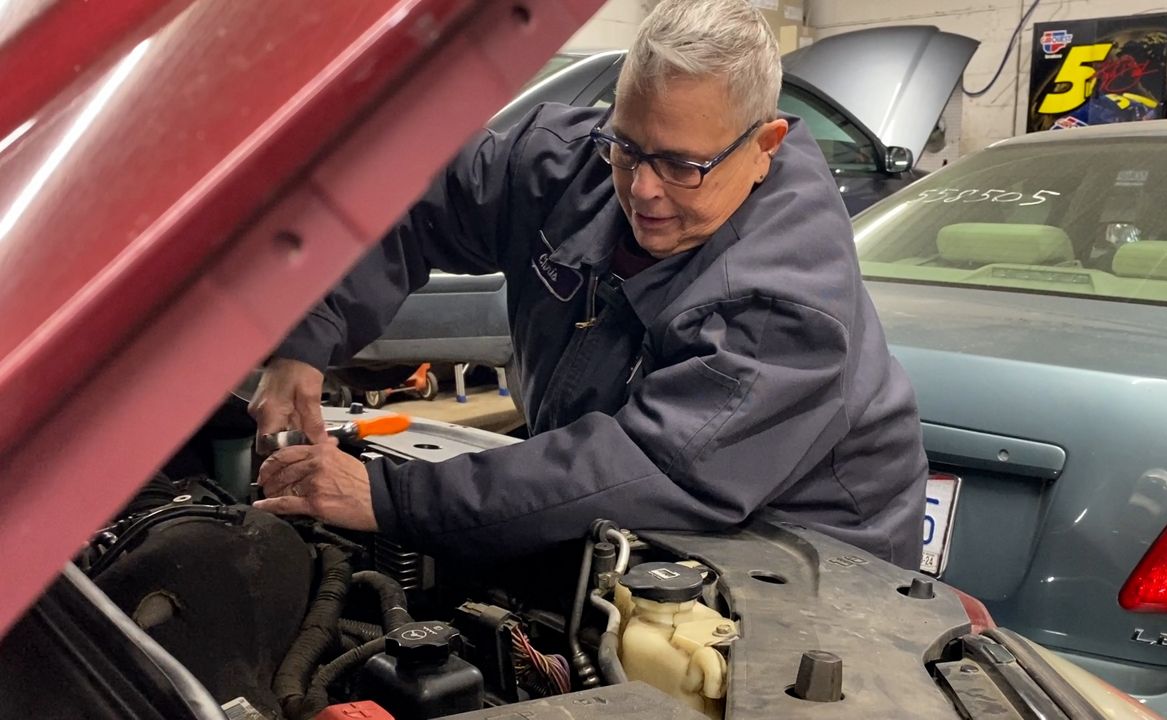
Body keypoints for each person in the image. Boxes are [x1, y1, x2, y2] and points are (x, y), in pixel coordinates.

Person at [250, 0, 928, 569]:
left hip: (811, 561)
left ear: (766, 145)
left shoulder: (784, 305)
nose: (641, 188)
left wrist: (392, 497)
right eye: (627, 145)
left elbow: (643, 466)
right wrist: (306, 339)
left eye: (681, 165)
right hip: (626, 512)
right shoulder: (569, 163)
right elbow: (419, 200)